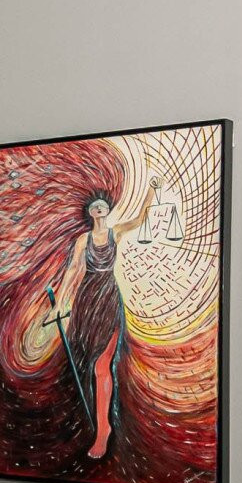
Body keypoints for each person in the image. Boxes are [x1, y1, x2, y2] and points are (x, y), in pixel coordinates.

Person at [45, 178, 157, 459]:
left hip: (107, 299)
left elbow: (139, 219)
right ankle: (93, 425)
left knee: (102, 366)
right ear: (90, 212)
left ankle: (103, 429)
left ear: (107, 210)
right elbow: (73, 270)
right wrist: (59, 304)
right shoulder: (83, 240)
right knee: (86, 363)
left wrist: (151, 191)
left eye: (102, 205)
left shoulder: (115, 233)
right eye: (94, 206)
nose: (98, 208)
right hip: (86, 302)